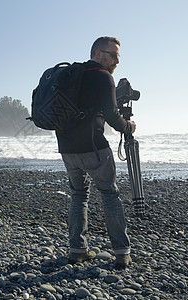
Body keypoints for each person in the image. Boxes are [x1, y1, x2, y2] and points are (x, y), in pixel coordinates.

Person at [55, 36, 136, 268]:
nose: (117, 61)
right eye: (114, 56)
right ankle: (122, 252)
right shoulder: (103, 76)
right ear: (98, 54)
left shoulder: (72, 75)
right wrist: (129, 127)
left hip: (67, 148)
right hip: (93, 147)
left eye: (119, 57)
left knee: (78, 195)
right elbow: (112, 116)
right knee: (110, 194)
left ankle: (77, 249)